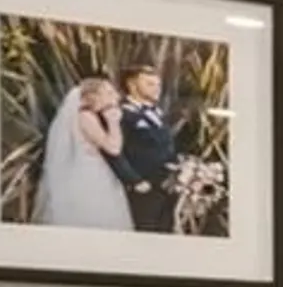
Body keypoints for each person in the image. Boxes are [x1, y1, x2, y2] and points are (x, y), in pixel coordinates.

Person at [33, 75, 132, 229]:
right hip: (91, 173)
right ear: (94, 96)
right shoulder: (86, 117)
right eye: (109, 93)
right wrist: (114, 122)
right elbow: (113, 148)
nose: (116, 97)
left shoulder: (83, 116)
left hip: (85, 169)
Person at [111, 61, 184, 235]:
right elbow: (115, 152)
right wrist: (134, 180)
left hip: (167, 186)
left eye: (158, 84)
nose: (156, 89)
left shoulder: (158, 112)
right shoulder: (122, 114)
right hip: (143, 187)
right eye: (149, 84)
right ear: (132, 84)